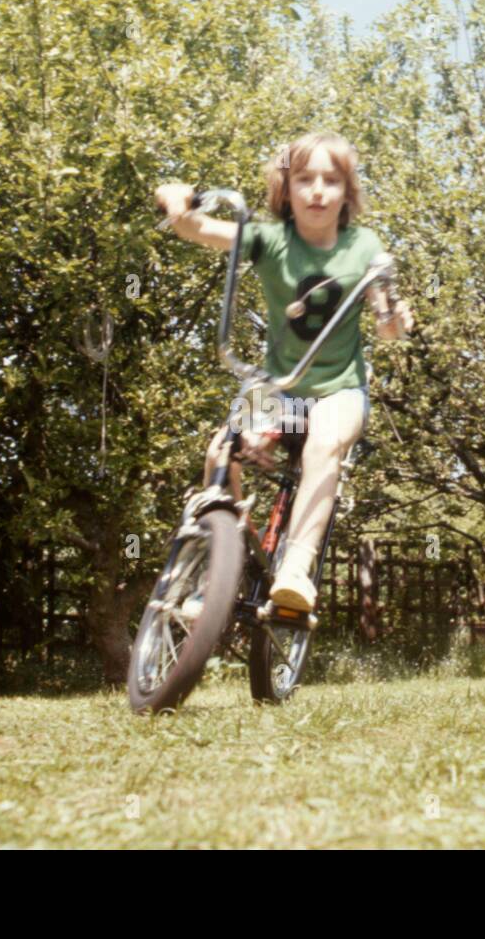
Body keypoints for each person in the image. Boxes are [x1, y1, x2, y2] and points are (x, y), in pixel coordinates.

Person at [155, 132, 414, 613]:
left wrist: (394, 316)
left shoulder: (364, 246)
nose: (317, 190)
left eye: (330, 180)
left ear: (347, 192)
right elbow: (199, 229)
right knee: (221, 451)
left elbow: (388, 326)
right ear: (286, 189)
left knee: (325, 442)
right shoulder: (270, 240)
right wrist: (175, 201)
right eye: (305, 179)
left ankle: (295, 568)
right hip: (278, 386)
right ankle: (225, 563)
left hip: (339, 390)